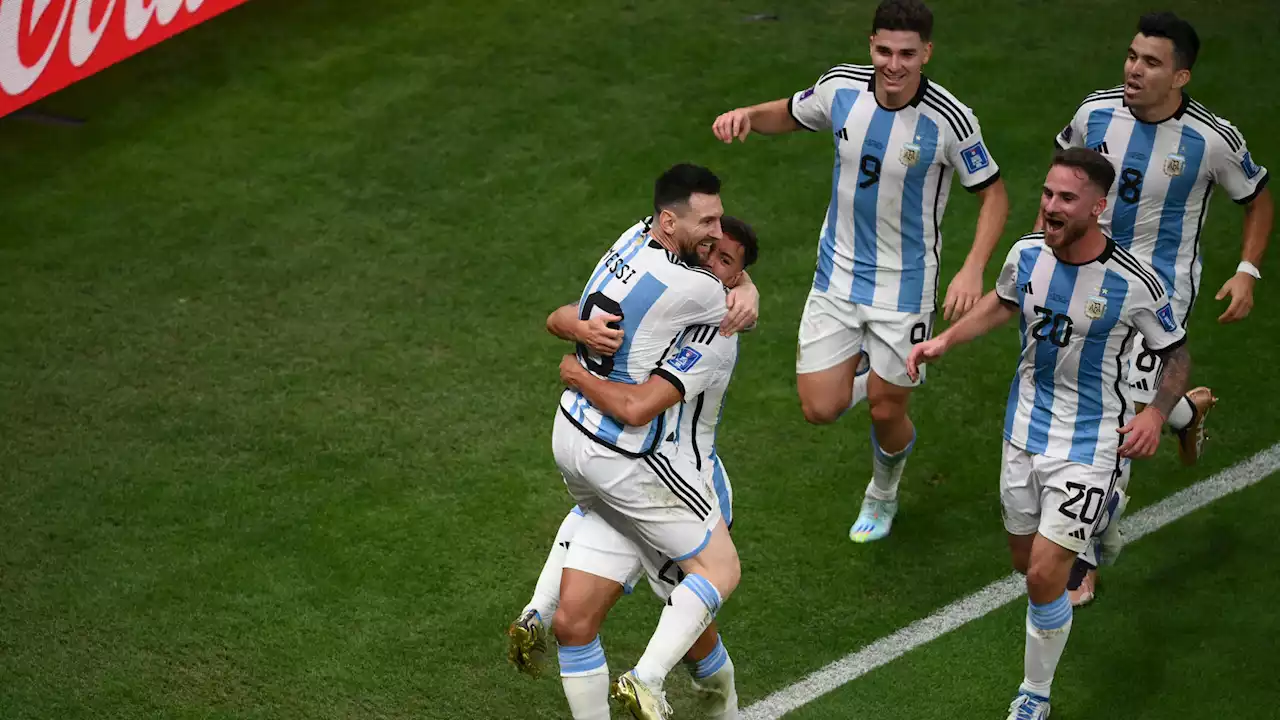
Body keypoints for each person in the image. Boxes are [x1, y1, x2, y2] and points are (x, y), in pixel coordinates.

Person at [906, 148, 1192, 720]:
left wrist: (1157, 413)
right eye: (1047, 194)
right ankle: (1103, 515)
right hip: (1023, 432)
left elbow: (1177, 354)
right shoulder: (1026, 254)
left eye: (1066, 199)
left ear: (1099, 206)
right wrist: (946, 340)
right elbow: (1003, 302)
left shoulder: (1135, 283)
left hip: (1089, 446)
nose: (1051, 207)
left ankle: (1034, 695)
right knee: (1023, 562)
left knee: (1044, 576)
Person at [710, 0, 1009, 543]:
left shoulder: (950, 119)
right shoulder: (841, 88)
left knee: (885, 408)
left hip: (906, 288)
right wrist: (748, 117)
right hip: (837, 277)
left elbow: (993, 195)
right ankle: (877, 365)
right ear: (871, 44)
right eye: (884, 51)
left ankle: (883, 493)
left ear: (927, 54)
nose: (894, 65)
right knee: (819, 408)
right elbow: (790, 110)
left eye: (907, 55)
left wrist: (972, 269)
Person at [1050, 10, 1272, 604]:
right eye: (1131, 56)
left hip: (1159, 297)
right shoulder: (1094, 113)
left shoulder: (1212, 139)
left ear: (1181, 77)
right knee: (1102, 397)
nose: (1134, 69)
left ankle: (1083, 556)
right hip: (1086, 280)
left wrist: (1246, 272)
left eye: (1151, 62)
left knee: (1113, 421)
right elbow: (1061, 183)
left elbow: (1256, 197)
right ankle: (1185, 415)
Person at [508, 221, 760, 720]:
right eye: (709, 249)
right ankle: (542, 611)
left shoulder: (716, 335)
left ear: (735, 281)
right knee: (573, 625)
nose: (711, 263)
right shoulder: (663, 301)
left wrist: (577, 375)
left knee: (698, 647)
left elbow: (638, 407)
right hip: (632, 481)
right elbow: (569, 313)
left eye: (728, 263)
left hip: (683, 490)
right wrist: (579, 327)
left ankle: (713, 705)